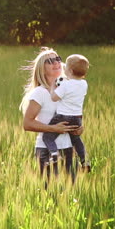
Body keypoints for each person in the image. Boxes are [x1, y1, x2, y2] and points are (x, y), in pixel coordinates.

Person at [20, 47, 83, 184]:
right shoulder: (39, 93)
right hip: (47, 151)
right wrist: (54, 129)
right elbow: (27, 123)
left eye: (57, 59)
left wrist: (79, 129)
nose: (56, 63)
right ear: (42, 69)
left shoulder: (67, 89)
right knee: (50, 194)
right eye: (50, 61)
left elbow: (75, 115)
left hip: (68, 149)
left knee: (70, 195)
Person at [43, 54, 91, 172]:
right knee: (76, 139)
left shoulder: (65, 84)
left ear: (69, 70)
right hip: (77, 118)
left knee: (47, 137)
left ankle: (55, 155)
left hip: (63, 117)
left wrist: (53, 87)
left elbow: (54, 98)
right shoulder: (84, 84)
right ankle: (85, 161)